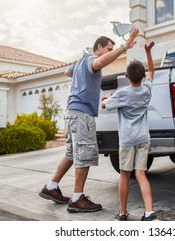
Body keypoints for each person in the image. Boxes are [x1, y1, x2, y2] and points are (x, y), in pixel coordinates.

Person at [39, 28, 139, 213]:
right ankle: (77, 199)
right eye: (108, 49)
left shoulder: (80, 62)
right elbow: (99, 61)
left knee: (71, 153)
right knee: (84, 154)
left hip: (72, 112)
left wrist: (79, 85)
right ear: (98, 47)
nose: (110, 52)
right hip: (82, 113)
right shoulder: (91, 60)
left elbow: (66, 73)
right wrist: (124, 47)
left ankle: (52, 187)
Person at [101, 41, 157, 221]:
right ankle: (149, 212)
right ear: (142, 76)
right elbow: (152, 72)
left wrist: (107, 97)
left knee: (125, 174)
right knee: (141, 173)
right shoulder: (147, 90)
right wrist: (148, 52)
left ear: (126, 75)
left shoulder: (122, 93)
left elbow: (104, 105)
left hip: (127, 140)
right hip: (143, 138)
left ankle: (123, 213)